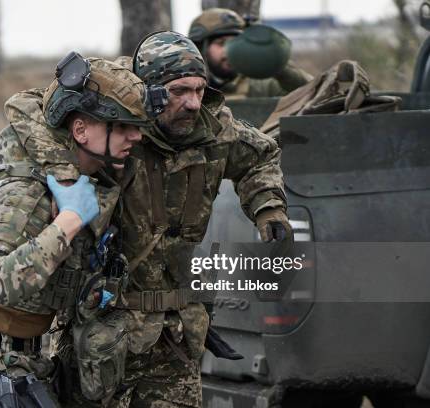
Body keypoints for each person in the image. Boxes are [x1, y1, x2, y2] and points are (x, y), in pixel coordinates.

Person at [67, 31, 292, 408]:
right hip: (105, 331)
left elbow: (261, 157)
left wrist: (268, 206)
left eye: (199, 90)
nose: (192, 103)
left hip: (177, 333)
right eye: (178, 91)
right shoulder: (112, 129)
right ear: (150, 91)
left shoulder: (216, 130)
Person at [0, 54, 153, 407]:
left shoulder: (76, 168)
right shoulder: (24, 188)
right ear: (80, 130)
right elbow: (3, 282)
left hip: (23, 354)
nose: (136, 136)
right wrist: (69, 219)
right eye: (123, 126)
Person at [188, 8, 312, 98]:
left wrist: (277, 64)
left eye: (236, 43)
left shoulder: (259, 86)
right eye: (222, 43)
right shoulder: (187, 89)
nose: (230, 51)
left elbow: (312, 92)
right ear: (200, 48)